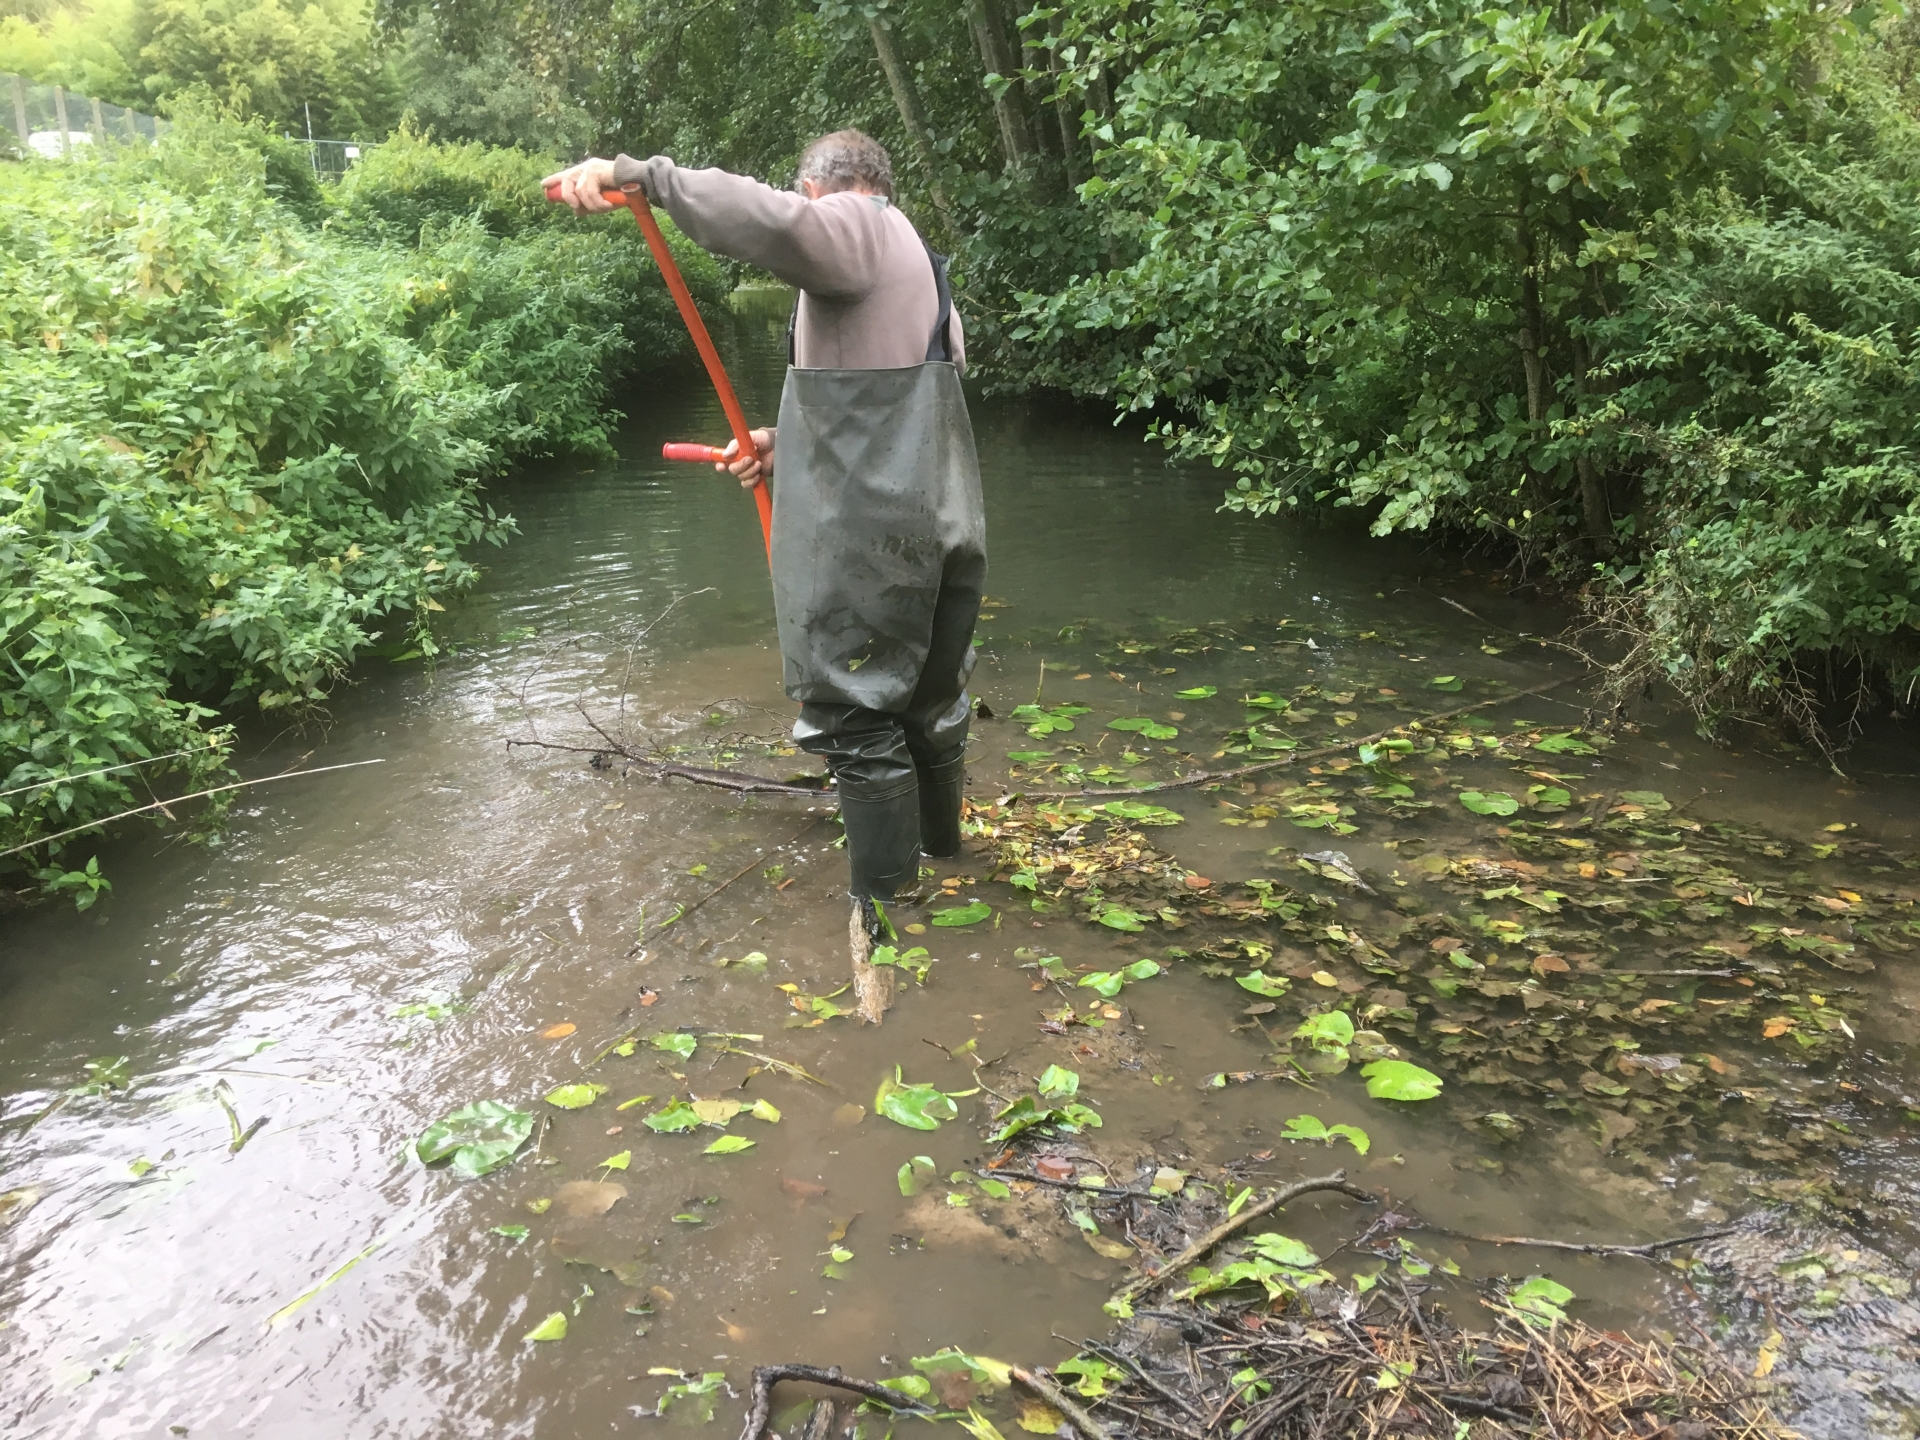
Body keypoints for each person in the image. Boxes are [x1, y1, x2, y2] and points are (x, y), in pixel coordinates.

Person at [545, 131, 986, 1025]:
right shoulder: (925, 271)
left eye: (806, 196)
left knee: (854, 714)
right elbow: (889, 413)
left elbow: (775, 225)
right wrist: (784, 449)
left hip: (873, 539)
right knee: (929, 698)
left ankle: (883, 914)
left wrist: (642, 177)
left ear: (828, 188)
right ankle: (945, 858)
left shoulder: (853, 224)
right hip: (940, 523)